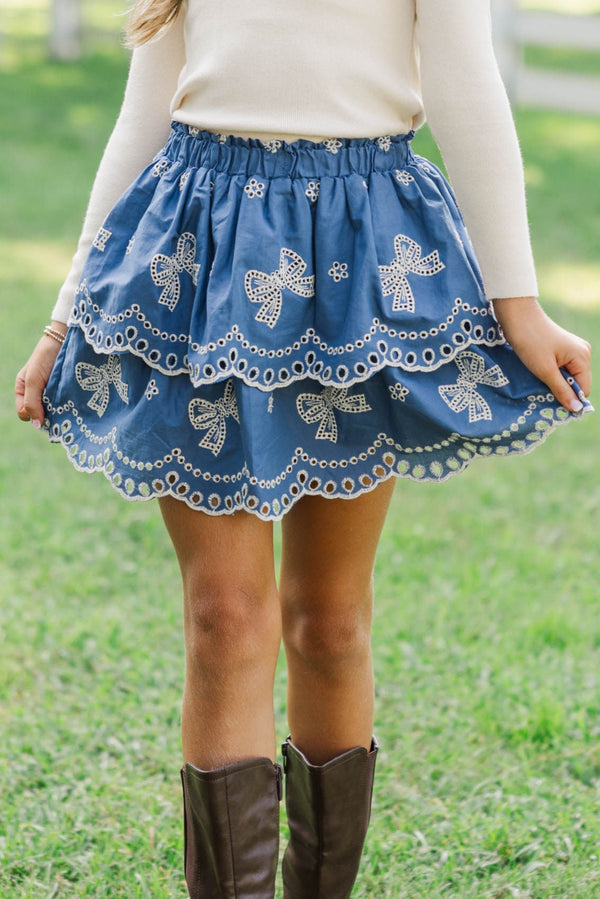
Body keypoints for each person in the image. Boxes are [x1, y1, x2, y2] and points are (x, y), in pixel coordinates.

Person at [14, 0, 593, 896]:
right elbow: (143, 113)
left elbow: (465, 84)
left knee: (329, 621)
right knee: (224, 618)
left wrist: (518, 304)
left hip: (360, 252)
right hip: (199, 249)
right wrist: (64, 315)